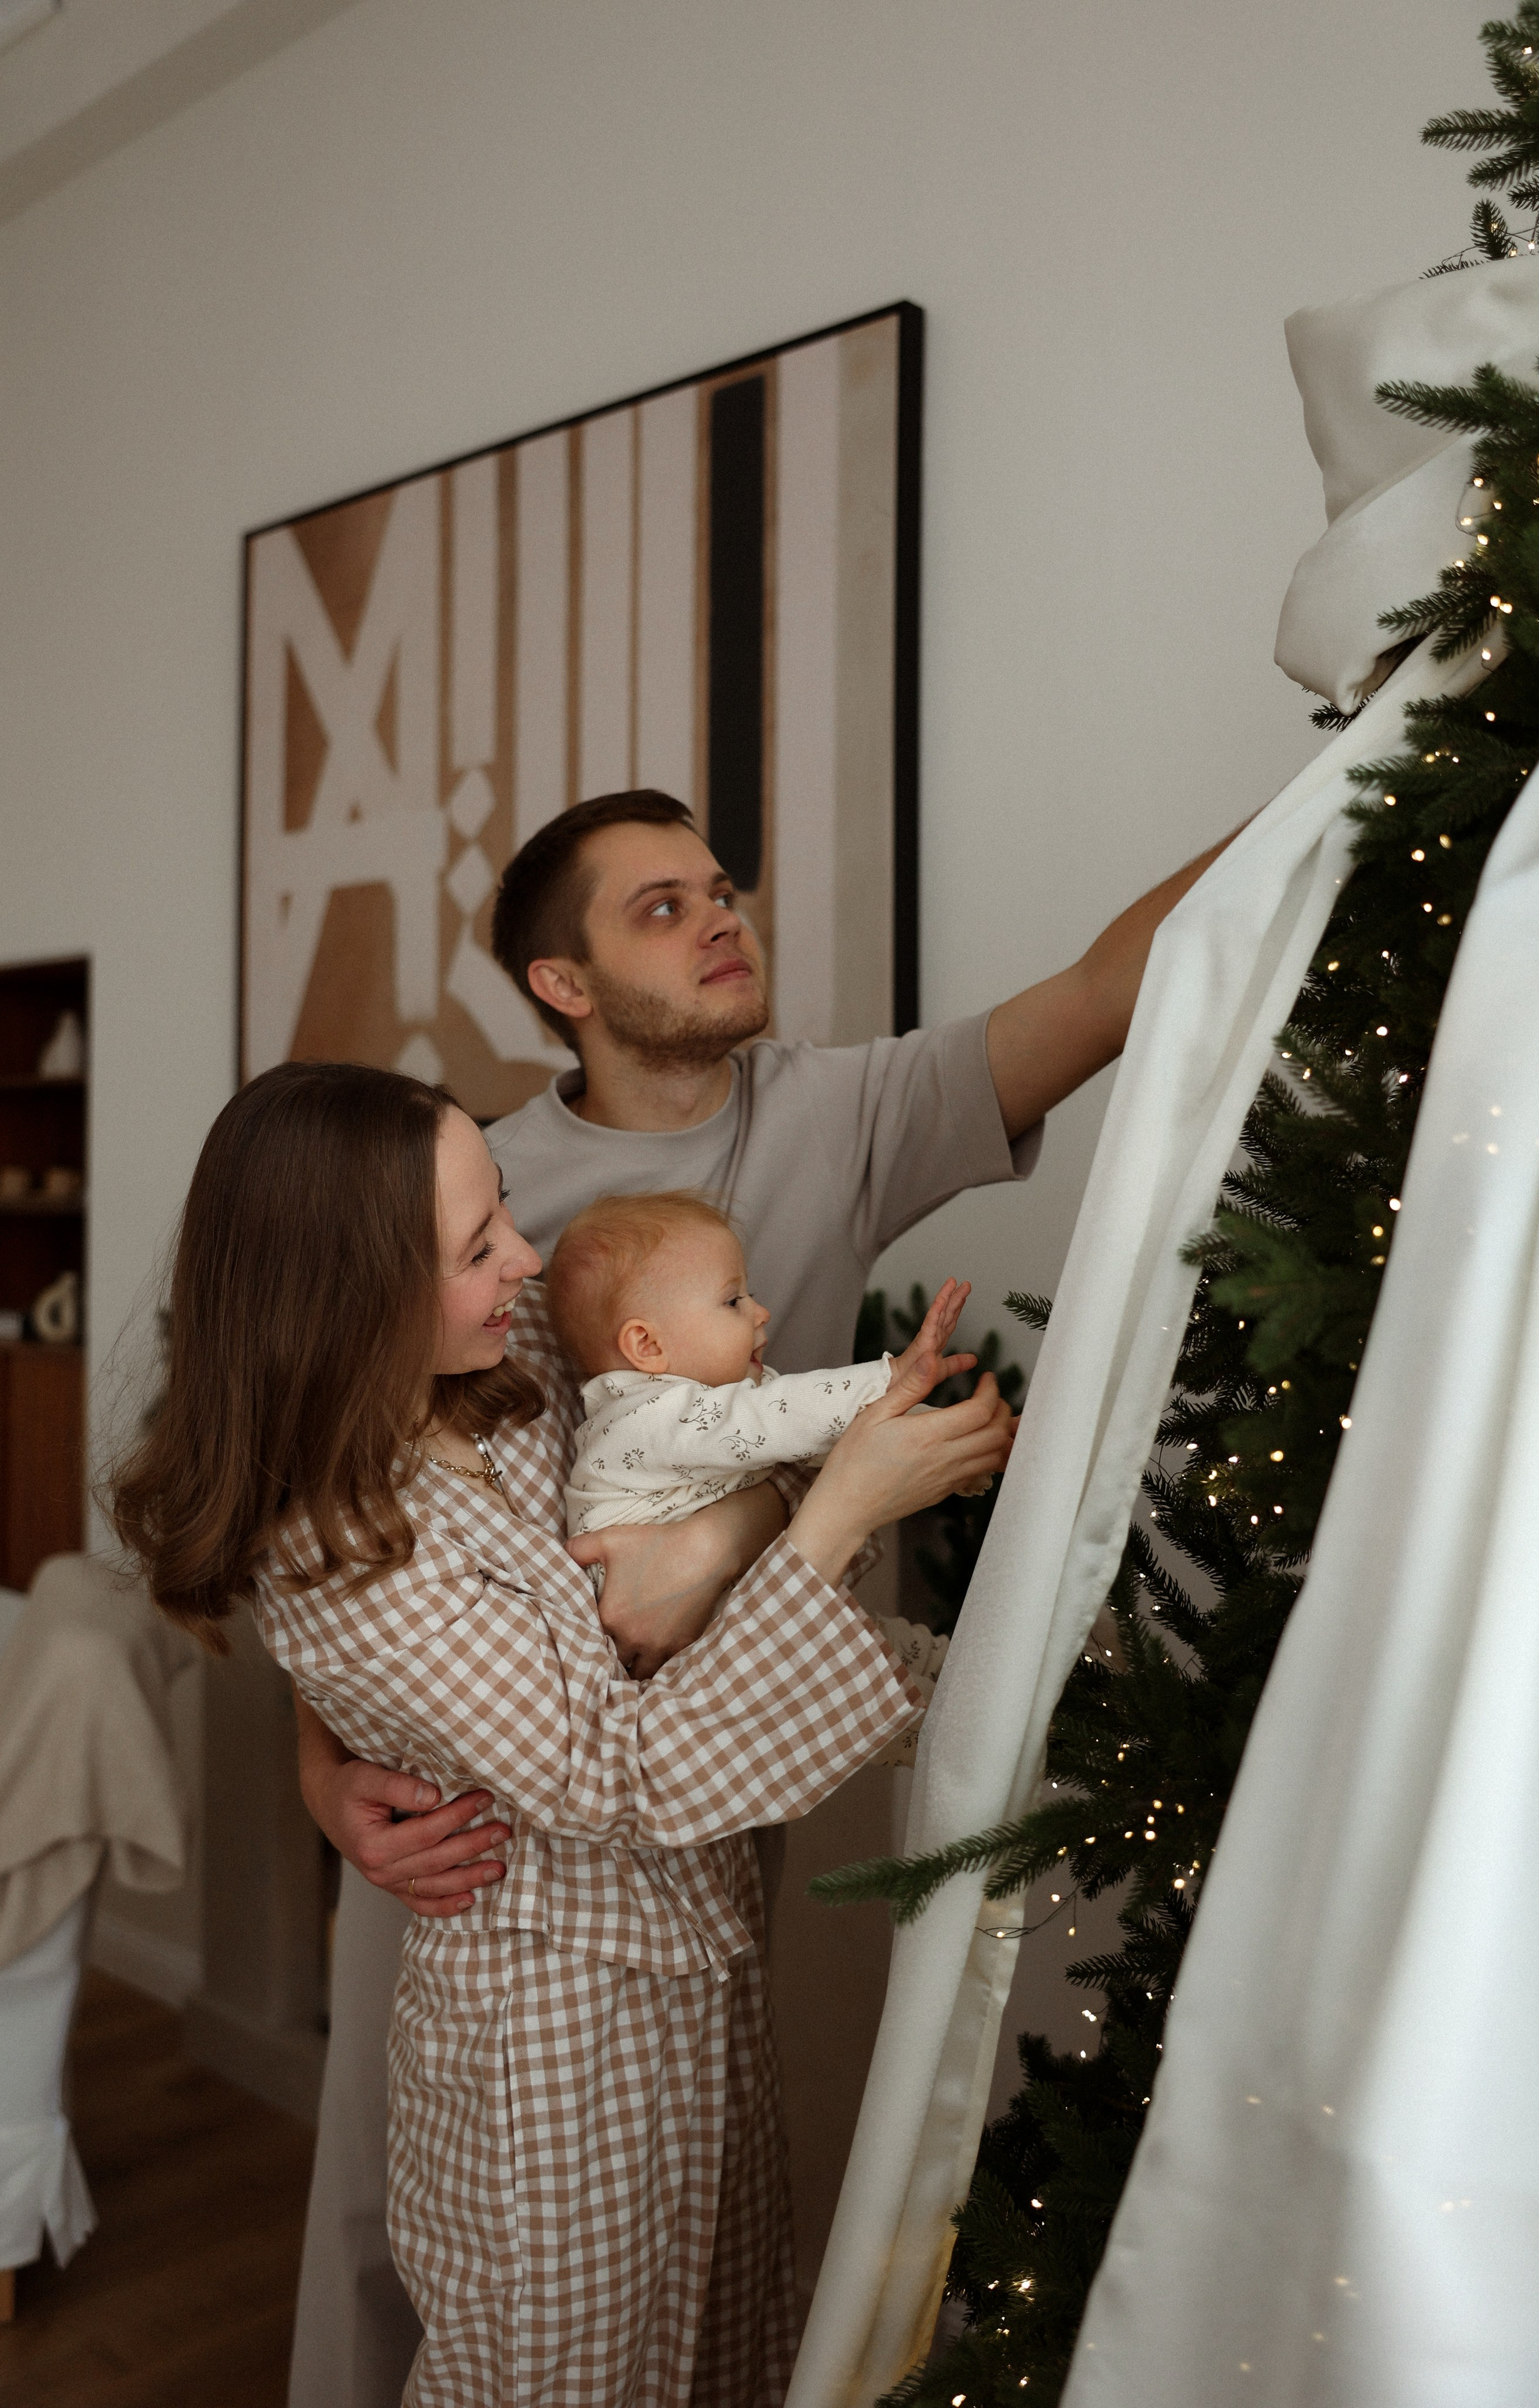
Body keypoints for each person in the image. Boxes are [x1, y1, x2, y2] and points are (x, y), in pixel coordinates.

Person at [288, 787, 1241, 2407]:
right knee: (409, 2217)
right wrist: (324, 1771)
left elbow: (1102, 993)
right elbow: (353, 1496)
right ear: (562, 985)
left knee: (687, 2231)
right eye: (658, 907)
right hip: (477, 1811)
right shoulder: (482, 1196)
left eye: (719, 887)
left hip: (727, 1749)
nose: (721, 916)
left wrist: (1324, 786)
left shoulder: (838, 1111)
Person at [110, 1062, 1014, 2407]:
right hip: (553, 2041)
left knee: (714, 2348)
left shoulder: (505, 1366)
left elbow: (703, 1448)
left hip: (692, 1974)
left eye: (505, 1216)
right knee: (555, 2377)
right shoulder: (345, 1557)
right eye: (477, 1250)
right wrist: (831, 1514)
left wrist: (722, 1532)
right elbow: (621, 1772)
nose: (525, 1264)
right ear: (352, 1302)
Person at [546, 1190, 981, 1546]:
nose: (762, 1312)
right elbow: (785, 1413)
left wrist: (950, 1434)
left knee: (895, 1647)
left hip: (739, 1613)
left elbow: (837, 1432)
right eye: (734, 1301)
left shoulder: (721, 1407)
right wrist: (890, 1377)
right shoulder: (641, 1421)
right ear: (647, 1345)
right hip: (690, 1641)